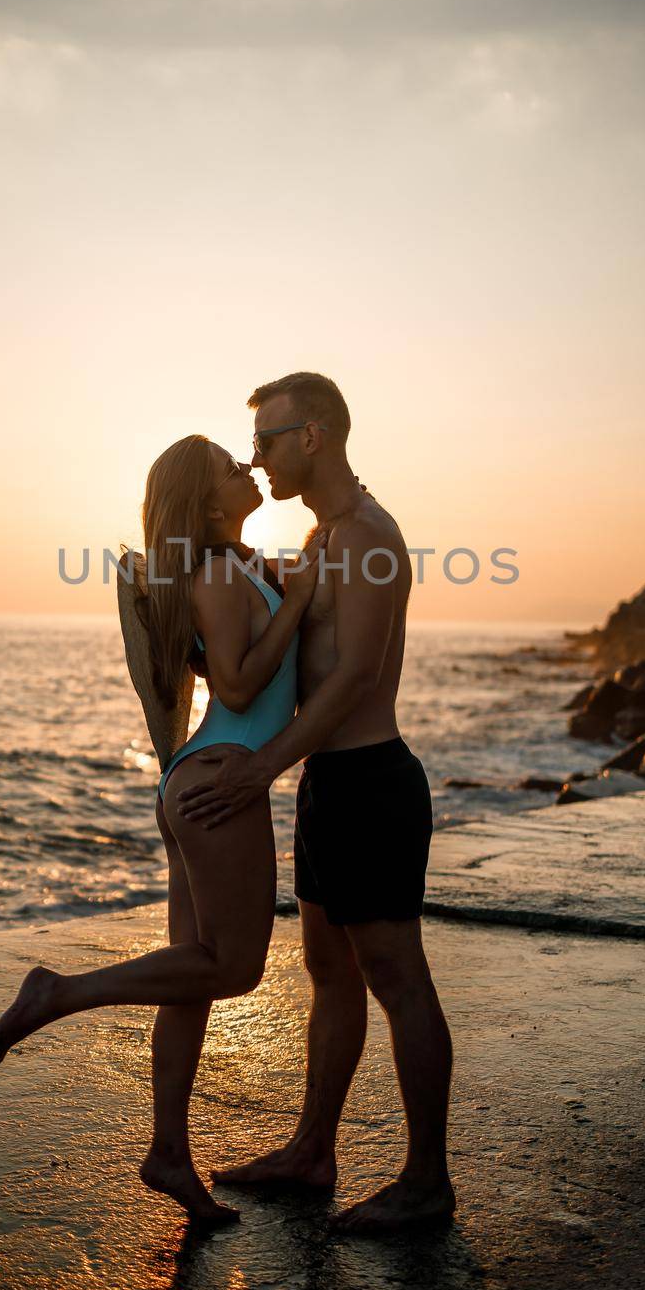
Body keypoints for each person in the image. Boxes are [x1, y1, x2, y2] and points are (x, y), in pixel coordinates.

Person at [0, 434, 322, 1226]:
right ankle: (60, 992)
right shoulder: (212, 576)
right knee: (231, 970)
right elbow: (238, 682)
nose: (247, 468)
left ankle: (168, 1150)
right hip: (221, 783)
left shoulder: (233, 564)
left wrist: (297, 576)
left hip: (197, 779)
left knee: (189, 979)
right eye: (230, 468)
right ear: (207, 503)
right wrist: (301, 601)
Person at [177, 372, 456, 1234]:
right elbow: (270, 653)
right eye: (250, 444)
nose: (255, 456)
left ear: (316, 436)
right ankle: (311, 1150)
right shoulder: (321, 538)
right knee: (327, 973)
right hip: (328, 786)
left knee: (396, 978)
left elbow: (354, 680)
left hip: (373, 782)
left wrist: (260, 769)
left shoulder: (369, 535)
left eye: (265, 439)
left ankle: (425, 1181)